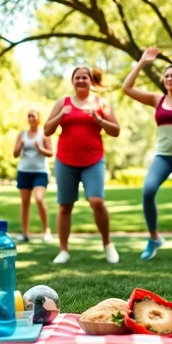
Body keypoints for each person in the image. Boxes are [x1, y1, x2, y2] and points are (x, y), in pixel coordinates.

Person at [122, 47, 172, 259]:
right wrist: (142, 62)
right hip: (163, 156)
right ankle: (154, 238)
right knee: (148, 192)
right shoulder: (157, 99)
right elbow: (127, 88)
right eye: (166, 76)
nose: (169, 78)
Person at [43, 66, 121, 264]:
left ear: (91, 81)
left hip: (93, 161)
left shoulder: (101, 103)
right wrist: (61, 115)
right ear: (72, 81)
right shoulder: (63, 102)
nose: (80, 81)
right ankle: (63, 250)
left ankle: (108, 244)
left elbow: (115, 131)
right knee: (64, 206)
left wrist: (98, 118)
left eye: (84, 77)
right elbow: (47, 129)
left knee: (97, 202)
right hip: (65, 161)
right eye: (77, 78)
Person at [13, 109, 54, 243]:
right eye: (29, 116)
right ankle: (25, 234)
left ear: (38, 118)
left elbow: (50, 153)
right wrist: (20, 146)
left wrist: (39, 148)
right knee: (25, 203)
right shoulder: (22, 134)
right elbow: (15, 154)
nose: (31, 118)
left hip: (40, 172)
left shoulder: (44, 134)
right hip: (24, 171)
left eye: (33, 116)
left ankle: (46, 231)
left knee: (39, 198)